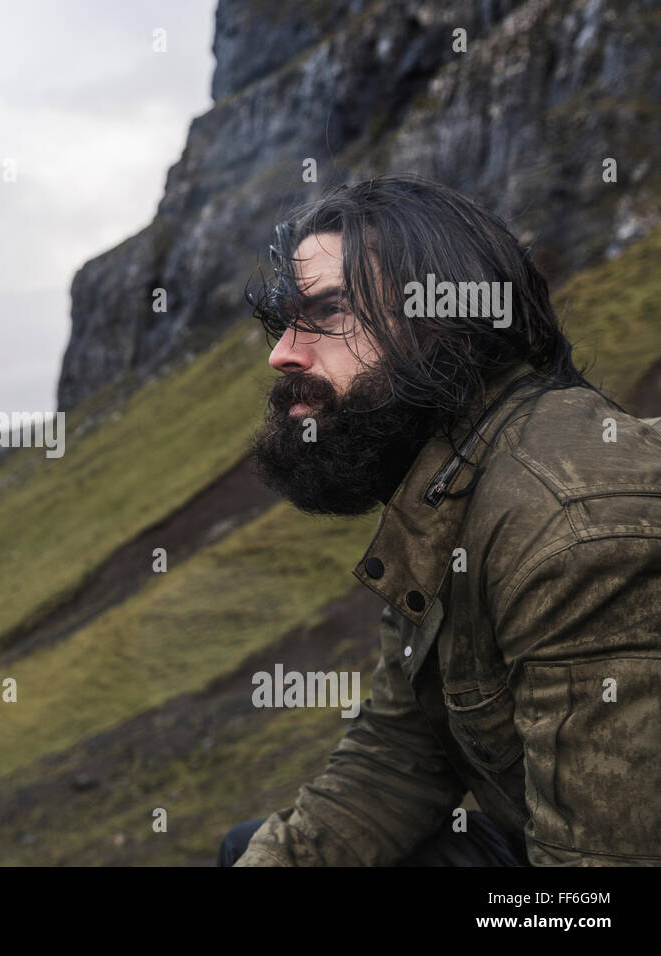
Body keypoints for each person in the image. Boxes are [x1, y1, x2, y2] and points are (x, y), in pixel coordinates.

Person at [222, 175, 661, 866]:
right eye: (284, 321)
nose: (283, 352)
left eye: (330, 311)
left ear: (445, 325)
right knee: (255, 850)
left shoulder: (572, 531)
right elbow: (401, 756)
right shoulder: (442, 490)